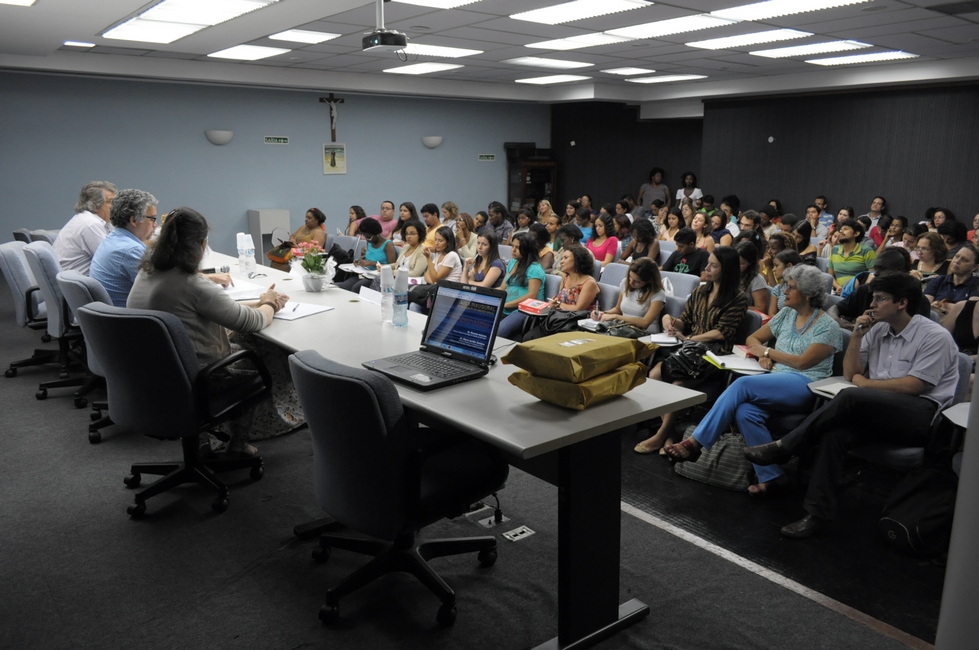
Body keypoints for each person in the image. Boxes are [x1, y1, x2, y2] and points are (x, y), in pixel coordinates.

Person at [744, 272, 959, 538]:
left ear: (902, 303)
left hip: (919, 415)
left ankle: (786, 446)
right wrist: (856, 337)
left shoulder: (934, 336)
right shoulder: (877, 328)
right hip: (878, 410)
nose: (872, 305)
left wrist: (865, 385)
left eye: (880, 299)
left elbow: (914, 386)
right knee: (835, 435)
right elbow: (850, 373)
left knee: (851, 396)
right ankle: (816, 514)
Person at [664, 265, 842, 496]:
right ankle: (772, 476)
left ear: (807, 294)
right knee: (746, 412)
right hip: (776, 380)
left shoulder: (828, 327)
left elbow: (801, 363)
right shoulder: (787, 314)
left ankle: (696, 443)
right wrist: (761, 353)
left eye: (790, 288)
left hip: (806, 385)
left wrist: (767, 353)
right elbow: (753, 338)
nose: (783, 292)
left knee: (742, 385)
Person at [127, 207, 290, 456]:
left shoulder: (148, 273)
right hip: (197, 377)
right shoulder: (190, 282)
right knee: (262, 363)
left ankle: (205, 441)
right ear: (201, 244)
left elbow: (205, 309)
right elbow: (252, 322)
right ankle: (237, 445)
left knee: (246, 346)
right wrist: (269, 303)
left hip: (155, 373)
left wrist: (258, 302)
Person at [635, 246, 748, 454]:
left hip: (716, 356)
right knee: (654, 373)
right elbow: (685, 321)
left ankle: (661, 435)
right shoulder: (700, 292)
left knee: (678, 384)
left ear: (727, 269)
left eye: (714, 266)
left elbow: (722, 332)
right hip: (691, 350)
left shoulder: (738, 298)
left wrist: (689, 338)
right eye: (708, 264)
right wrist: (670, 320)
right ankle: (669, 433)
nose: (707, 268)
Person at [828, 247, 931, 330]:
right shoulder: (865, 290)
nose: (876, 273)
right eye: (875, 268)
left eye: (882, 269)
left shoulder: (918, 299)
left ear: (899, 270)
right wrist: (837, 320)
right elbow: (834, 309)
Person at [90, 189, 158, 307]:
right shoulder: (131, 251)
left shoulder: (112, 238)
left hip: (109, 318)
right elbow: (160, 291)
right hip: (130, 321)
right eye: (152, 219)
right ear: (134, 220)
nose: (155, 224)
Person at [54, 181, 117, 274]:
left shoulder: (96, 220)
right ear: (95, 206)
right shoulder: (90, 224)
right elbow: (111, 261)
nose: (116, 206)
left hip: (76, 280)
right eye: (111, 202)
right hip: (78, 283)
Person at [590, 258, 666, 333]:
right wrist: (603, 313)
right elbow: (617, 309)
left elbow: (645, 323)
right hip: (624, 329)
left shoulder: (658, 293)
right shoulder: (625, 283)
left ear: (649, 281)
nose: (631, 282)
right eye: (630, 277)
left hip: (644, 333)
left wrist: (616, 317)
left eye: (637, 281)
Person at [496, 232, 546, 340]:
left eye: (517, 247)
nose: (513, 250)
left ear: (527, 249)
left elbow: (531, 296)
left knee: (498, 332)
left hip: (524, 310)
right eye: (512, 246)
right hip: (506, 306)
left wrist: (505, 304)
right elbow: (502, 287)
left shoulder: (535, 268)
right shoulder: (513, 262)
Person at [337, 217, 396, 292]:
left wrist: (371, 263)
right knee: (342, 286)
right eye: (365, 237)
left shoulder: (388, 245)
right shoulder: (370, 242)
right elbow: (369, 258)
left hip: (377, 276)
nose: (367, 239)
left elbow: (391, 266)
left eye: (369, 237)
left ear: (377, 234)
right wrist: (360, 261)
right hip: (365, 273)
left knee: (356, 288)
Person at [923, 242, 979, 315]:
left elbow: (970, 312)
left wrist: (943, 305)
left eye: (964, 260)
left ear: (975, 267)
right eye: (956, 256)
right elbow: (924, 306)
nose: (957, 261)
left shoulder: (976, 285)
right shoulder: (938, 280)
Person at [827, 218, 876, 291]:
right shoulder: (835, 250)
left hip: (857, 293)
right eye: (840, 229)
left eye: (845, 229)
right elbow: (830, 275)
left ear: (856, 233)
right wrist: (838, 287)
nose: (841, 231)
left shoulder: (867, 251)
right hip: (837, 290)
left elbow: (872, 277)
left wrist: (855, 292)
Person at [548, 245, 600, 312]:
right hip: (562, 315)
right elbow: (559, 300)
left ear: (577, 260)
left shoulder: (589, 283)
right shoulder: (565, 277)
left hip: (580, 319)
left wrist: (558, 304)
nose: (561, 262)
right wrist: (554, 303)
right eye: (562, 258)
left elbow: (579, 309)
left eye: (566, 258)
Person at [767, 249, 803, 316]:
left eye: (776, 265)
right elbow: (772, 314)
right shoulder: (778, 288)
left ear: (789, 266)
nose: (773, 269)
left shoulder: (802, 288)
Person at [737, 241, 770, 312]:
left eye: (740, 263)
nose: (735, 266)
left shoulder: (757, 280)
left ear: (750, 263)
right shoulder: (728, 275)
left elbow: (761, 308)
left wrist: (736, 308)